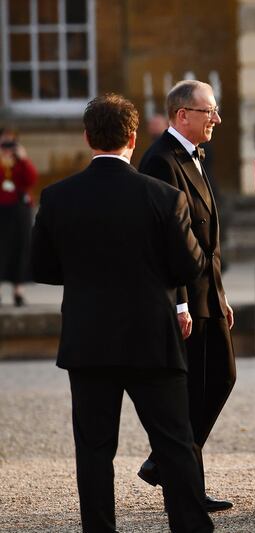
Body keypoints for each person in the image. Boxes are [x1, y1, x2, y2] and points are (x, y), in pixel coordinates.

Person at [30, 93, 213, 533]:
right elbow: (190, 266)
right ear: (133, 137)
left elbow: (42, 269)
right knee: (174, 443)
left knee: (93, 449)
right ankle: (189, 527)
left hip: (88, 338)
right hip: (151, 334)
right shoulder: (164, 197)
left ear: (88, 137)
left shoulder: (57, 198)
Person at [137, 80, 236, 512]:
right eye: (208, 111)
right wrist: (179, 303)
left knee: (221, 378)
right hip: (184, 300)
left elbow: (206, 236)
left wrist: (221, 293)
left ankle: (164, 463)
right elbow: (164, 241)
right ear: (182, 116)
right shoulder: (160, 161)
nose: (216, 118)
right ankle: (184, 485)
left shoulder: (194, 156)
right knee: (192, 390)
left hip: (208, 293)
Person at [0, 129, 37, 306]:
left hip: (19, 209)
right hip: (1, 208)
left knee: (21, 248)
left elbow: (31, 179)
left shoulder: (20, 162)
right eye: (4, 143)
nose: (7, 147)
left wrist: (23, 158)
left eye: (10, 143)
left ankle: (18, 292)